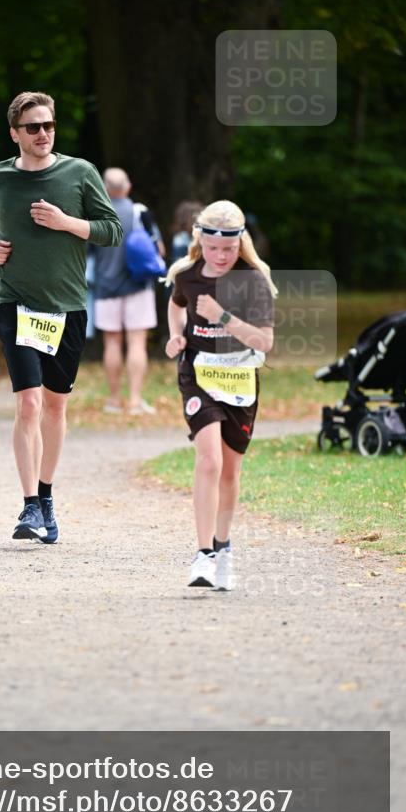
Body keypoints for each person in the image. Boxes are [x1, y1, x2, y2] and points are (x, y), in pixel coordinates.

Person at [0, 90, 122, 543]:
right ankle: (30, 505)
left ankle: (47, 497)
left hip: (67, 306)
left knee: (55, 405)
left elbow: (113, 231)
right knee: (28, 402)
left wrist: (66, 222)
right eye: (33, 127)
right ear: (14, 133)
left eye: (48, 125)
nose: (43, 134)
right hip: (15, 301)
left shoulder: (80, 173)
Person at [165, 200, 276, 591]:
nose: (221, 256)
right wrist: (176, 335)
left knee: (230, 470)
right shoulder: (187, 275)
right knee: (209, 461)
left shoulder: (254, 281)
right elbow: (176, 305)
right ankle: (203, 555)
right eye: (213, 248)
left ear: (240, 243)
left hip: (240, 380)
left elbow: (264, 340)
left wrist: (222, 317)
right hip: (197, 375)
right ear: (200, 242)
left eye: (229, 249)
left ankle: (224, 546)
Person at [92, 167, 160, 415]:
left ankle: (113, 400)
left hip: (105, 288)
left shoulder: (96, 214)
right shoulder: (139, 212)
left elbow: (87, 252)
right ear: (127, 187)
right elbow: (158, 250)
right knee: (137, 342)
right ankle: (134, 400)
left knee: (111, 342)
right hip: (138, 286)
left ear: (104, 188)